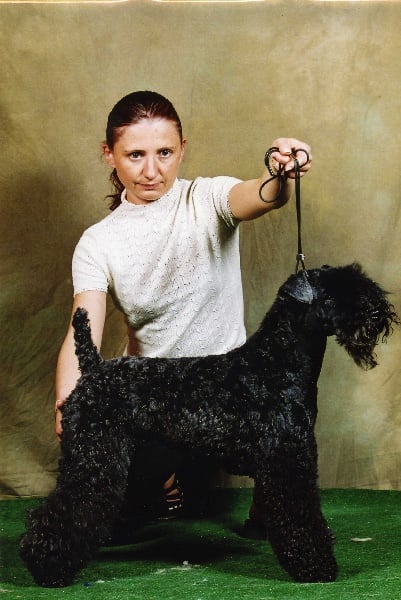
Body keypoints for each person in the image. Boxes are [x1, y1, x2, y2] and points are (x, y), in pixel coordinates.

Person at [55, 90, 312, 535]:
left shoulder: (208, 197)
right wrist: (67, 402)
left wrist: (280, 174)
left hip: (230, 393)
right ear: (109, 154)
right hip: (156, 398)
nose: (151, 171)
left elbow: (262, 195)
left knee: (285, 411)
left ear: (182, 149)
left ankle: (268, 498)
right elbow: (83, 328)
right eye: (135, 155)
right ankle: (163, 483)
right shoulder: (98, 242)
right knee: (113, 516)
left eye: (165, 153)